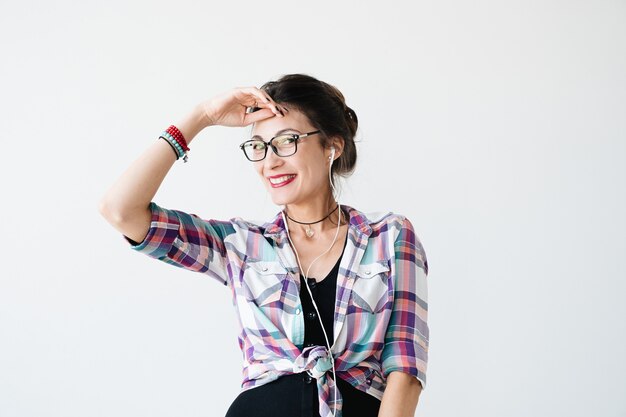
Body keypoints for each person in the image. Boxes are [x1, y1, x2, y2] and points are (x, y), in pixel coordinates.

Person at [98, 73, 429, 417]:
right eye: (259, 147)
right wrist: (202, 116)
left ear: (332, 145)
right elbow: (120, 210)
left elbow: (405, 369)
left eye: (287, 141)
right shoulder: (240, 245)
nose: (270, 162)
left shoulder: (389, 236)